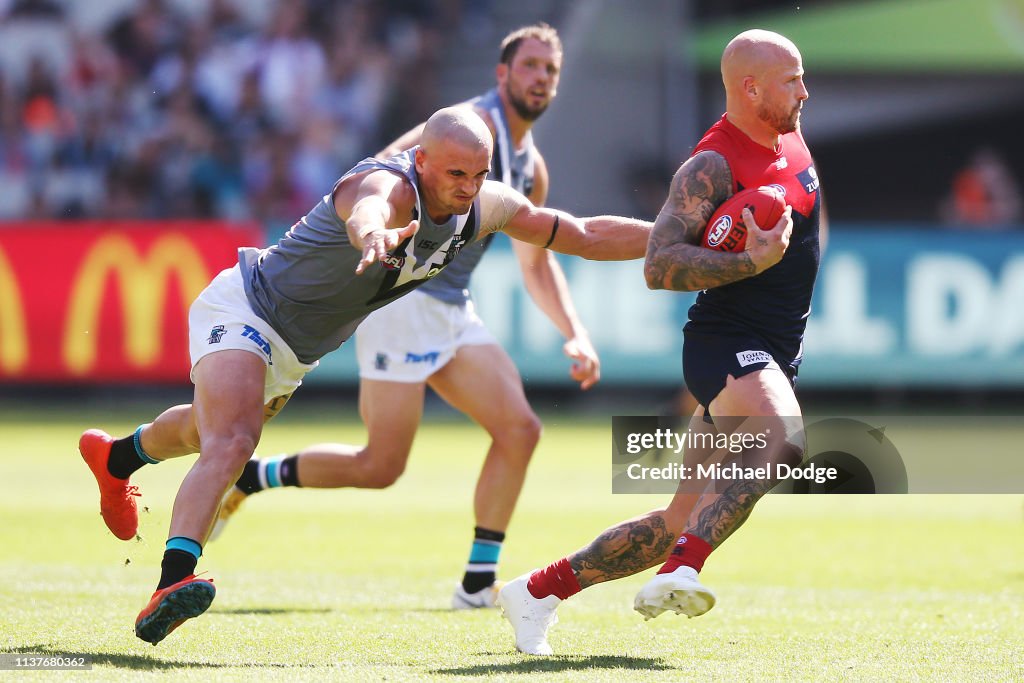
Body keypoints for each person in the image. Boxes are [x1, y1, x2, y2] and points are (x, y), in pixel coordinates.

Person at [79, 106, 651, 646]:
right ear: (421, 160)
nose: (468, 187)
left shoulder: (486, 205)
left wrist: (671, 236)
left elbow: (581, 234)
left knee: (206, 434)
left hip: (295, 350)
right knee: (233, 440)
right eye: (454, 172)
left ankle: (119, 459)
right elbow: (366, 211)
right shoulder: (387, 186)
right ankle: (171, 582)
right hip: (245, 307)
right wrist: (373, 233)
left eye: (478, 174)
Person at [207, 24, 597, 611]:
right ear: (502, 74)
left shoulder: (527, 167)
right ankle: (250, 478)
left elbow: (537, 264)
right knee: (381, 465)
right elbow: (388, 166)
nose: (541, 78)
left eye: (551, 70)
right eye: (531, 66)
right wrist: (378, 233)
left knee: (519, 430)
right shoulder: (462, 126)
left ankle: (474, 585)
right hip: (403, 299)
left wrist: (575, 332)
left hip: (450, 308)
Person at [496, 28, 820, 656]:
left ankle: (536, 592)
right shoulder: (711, 165)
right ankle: (683, 569)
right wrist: (750, 265)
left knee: (674, 519)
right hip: (726, 340)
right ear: (750, 88)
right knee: (783, 435)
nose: (804, 91)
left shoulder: (789, 135)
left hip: (778, 347)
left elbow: (800, 219)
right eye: (791, 81)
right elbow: (658, 265)